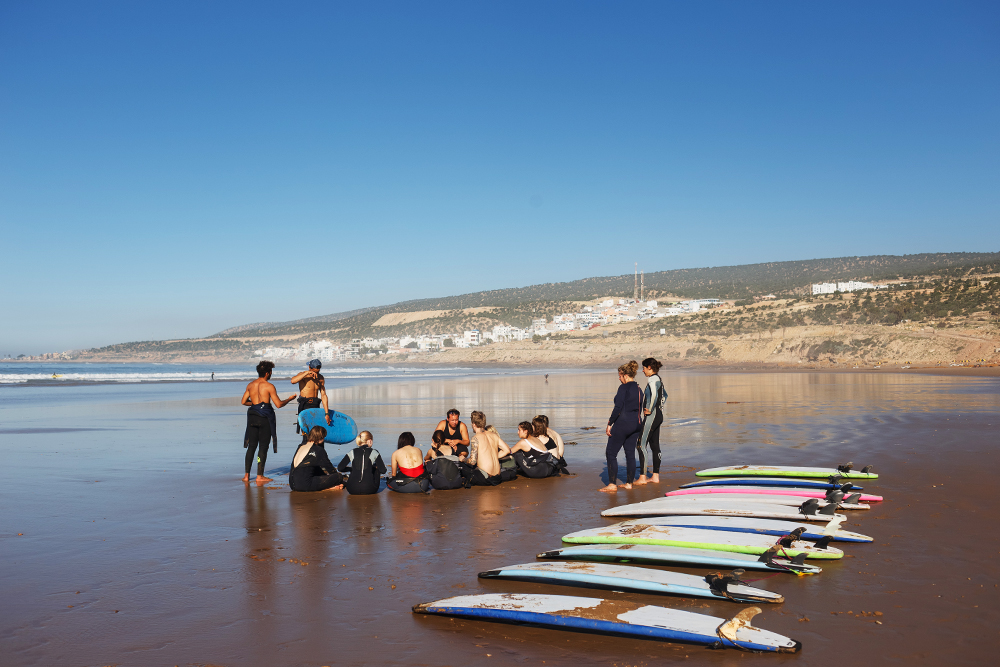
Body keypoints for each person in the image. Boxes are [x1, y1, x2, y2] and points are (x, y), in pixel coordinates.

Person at [241, 360, 296, 485]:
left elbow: (243, 401)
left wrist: (256, 405)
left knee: (251, 446)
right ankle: (259, 476)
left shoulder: (250, 385)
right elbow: (278, 404)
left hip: (252, 417)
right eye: (271, 372)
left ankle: (246, 476)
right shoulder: (269, 386)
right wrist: (289, 399)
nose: (271, 374)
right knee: (263, 447)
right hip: (264, 419)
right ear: (267, 373)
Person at [600, 360, 643, 493]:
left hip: (623, 423)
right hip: (637, 424)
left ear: (625, 375)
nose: (619, 378)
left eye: (619, 376)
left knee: (611, 453)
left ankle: (612, 485)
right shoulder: (639, 388)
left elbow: (618, 407)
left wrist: (609, 423)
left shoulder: (623, 388)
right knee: (630, 453)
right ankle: (629, 483)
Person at [635, 357, 667, 486]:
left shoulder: (653, 379)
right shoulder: (659, 379)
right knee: (654, 446)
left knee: (641, 444)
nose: (642, 371)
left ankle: (642, 477)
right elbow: (665, 395)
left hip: (652, 415)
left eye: (643, 368)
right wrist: (660, 408)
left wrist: (651, 408)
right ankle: (655, 476)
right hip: (658, 415)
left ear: (649, 367)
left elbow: (654, 394)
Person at [289, 426, 345, 492]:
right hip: (305, 485)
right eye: (323, 437)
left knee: (315, 467)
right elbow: (330, 469)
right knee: (338, 477)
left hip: (292, 484)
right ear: (320, 438)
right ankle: (328, 488)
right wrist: (336, 479)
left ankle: (326, 487)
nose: (324, 440)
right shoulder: (318, 450)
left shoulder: (301, 446)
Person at [464, 410, 511, 486]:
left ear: (474, 424)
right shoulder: (493, 435)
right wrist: (495, 456)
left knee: (463, 467)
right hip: (498, 477)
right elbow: (507, 450)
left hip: (485, 478)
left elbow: (472, 461)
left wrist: (463, 459)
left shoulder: (475, 438)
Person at [290, 359, 331, 442]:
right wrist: (306, 373)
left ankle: (317, 452)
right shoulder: (303, 375)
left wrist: (327, 413)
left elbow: (323, 395)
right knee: (306, 433)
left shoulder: (321, 378)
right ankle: (305, 452)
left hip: (316, 406)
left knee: (317, 432)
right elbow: (293, 381)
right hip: (305, 405)